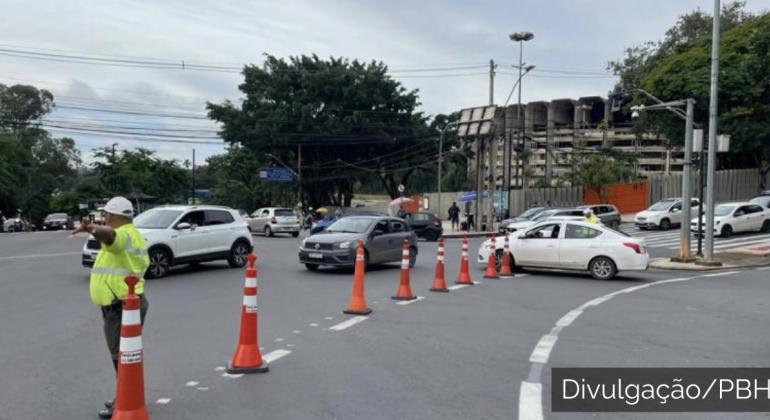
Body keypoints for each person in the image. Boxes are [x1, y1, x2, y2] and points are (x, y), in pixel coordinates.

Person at [72, 196, 149, 419]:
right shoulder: (129, 235)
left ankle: (127, 399)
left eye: (106, 215)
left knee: (122, 357)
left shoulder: (124, 235)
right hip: (121, 305)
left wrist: (92, 228)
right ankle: (128, 395)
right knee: (124, 356)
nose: (104, 218)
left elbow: (111, 235)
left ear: (114, 216)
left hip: (121, 306)